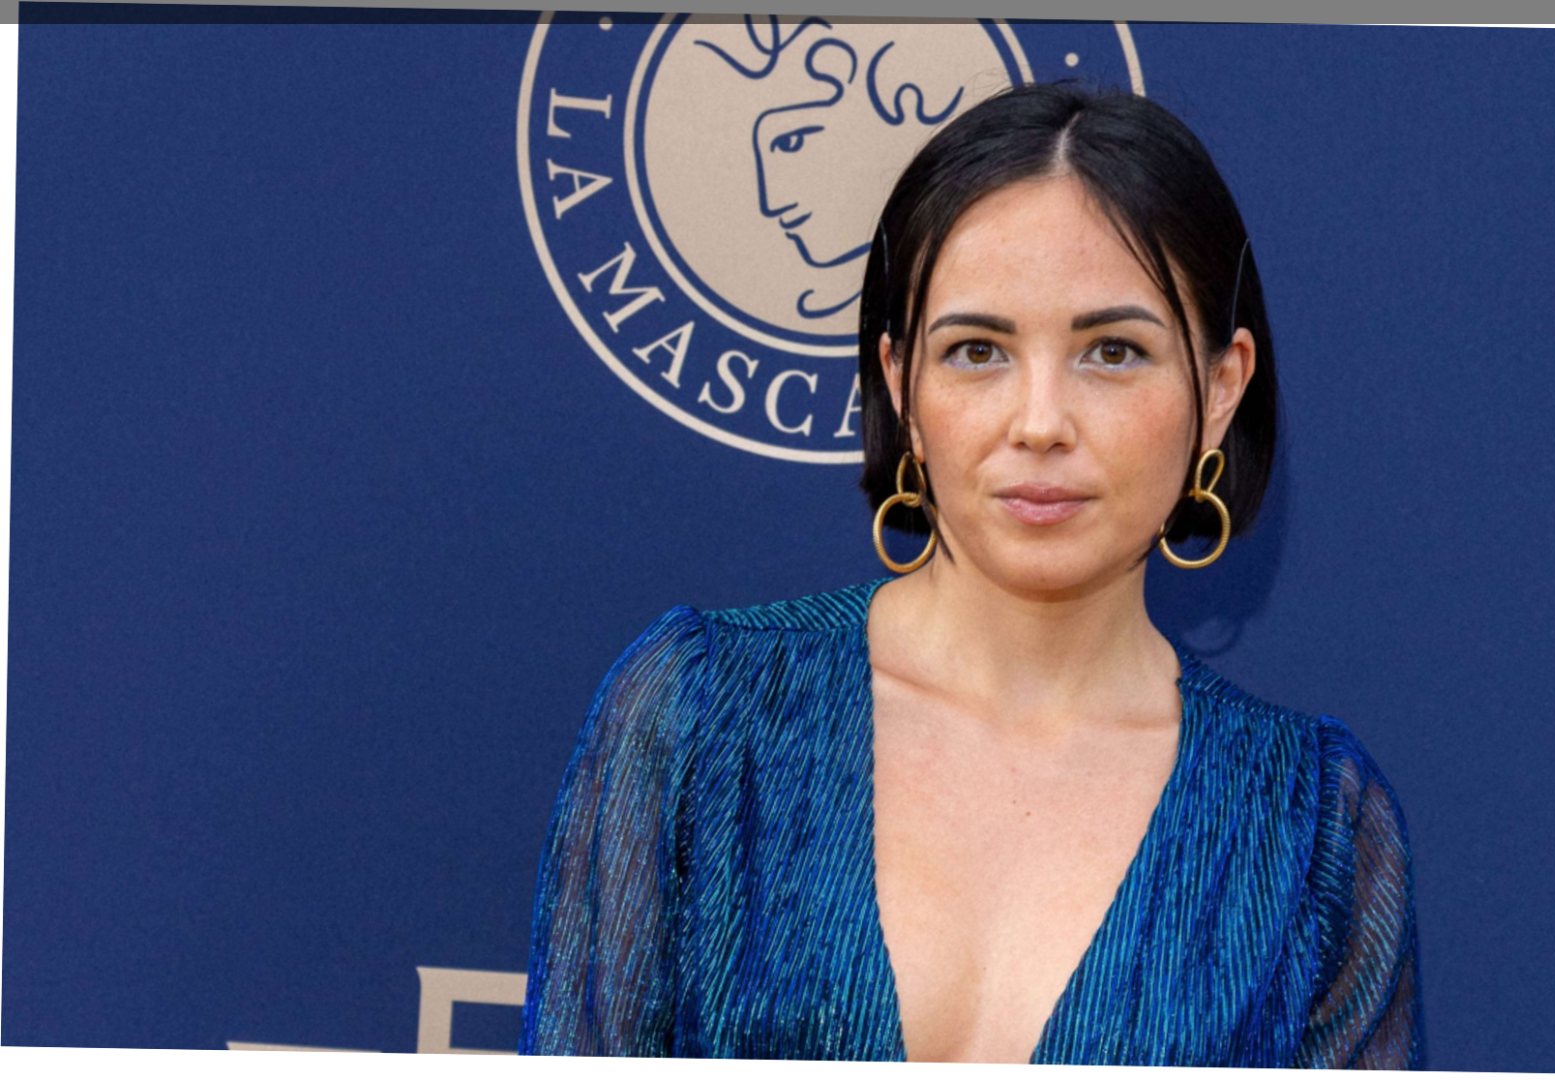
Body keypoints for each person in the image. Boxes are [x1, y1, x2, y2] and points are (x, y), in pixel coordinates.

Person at [520, 82, 1424, 1067]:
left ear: (1218, 388)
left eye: (1112, 351)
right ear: (901, 385)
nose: (1038, 422)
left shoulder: (1310, 828)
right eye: (977, 350)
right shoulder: (699, 714)